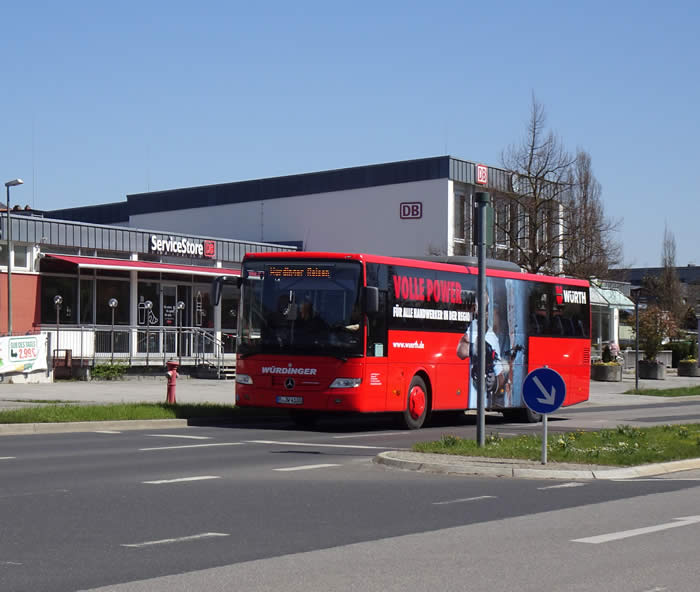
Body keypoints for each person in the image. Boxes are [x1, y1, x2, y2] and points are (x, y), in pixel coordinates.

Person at [456, 292, 509, 409]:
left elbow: (500, 375)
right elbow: (460, 351)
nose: (485, 311)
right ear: (476, 308)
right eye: (481, 306)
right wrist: (474, 349)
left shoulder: (493, 338)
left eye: (488, 307)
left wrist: (495, 382)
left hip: (484, 401)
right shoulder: (472, 327)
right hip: (472, 399)